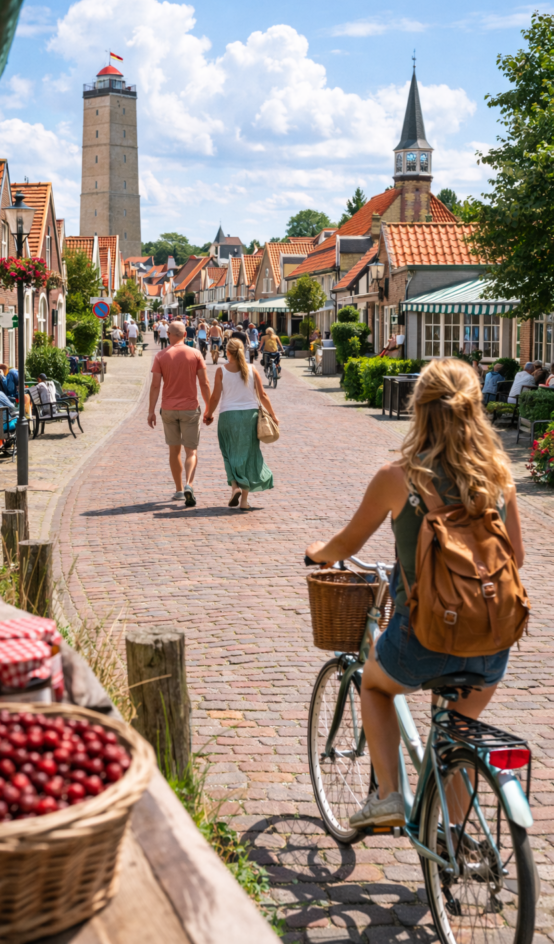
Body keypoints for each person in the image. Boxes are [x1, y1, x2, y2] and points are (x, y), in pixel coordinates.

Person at [305, 358, 525, 828]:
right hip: (491, 642)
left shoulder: (399, 478)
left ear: (419, 411)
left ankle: (389, 796)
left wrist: (318, 552)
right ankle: (450, 841)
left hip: (422, 639)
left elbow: (346, 545)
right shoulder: (499, 477)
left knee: (375, 685)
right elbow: (517, 559)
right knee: (459, 733)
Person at [203, 338, 276, 510]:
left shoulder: (221, 370)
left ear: (227, 352)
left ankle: (234, 486)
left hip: (228, 417)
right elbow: (263, 395)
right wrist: (273, 415)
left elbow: (215, 397)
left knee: (228, 453)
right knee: (248, 456)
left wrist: (208, 414)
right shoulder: (252, 369)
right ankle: (244, 501)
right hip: (249, 417)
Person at [148, 320, 211, 507]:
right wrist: (209, 407)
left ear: (168, 334)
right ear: (185, 335)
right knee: (191, 450)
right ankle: (189, 485)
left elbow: (155, 385)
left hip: (168, 408)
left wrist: (151, 411)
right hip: (190, 408)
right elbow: (204, 383)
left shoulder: (160, 356)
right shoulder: (195, 354)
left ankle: (178, 490)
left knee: (174, 450)